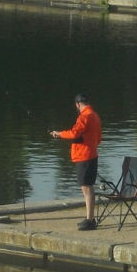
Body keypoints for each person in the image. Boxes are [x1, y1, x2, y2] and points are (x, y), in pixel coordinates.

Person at [50, 92, 103, 230]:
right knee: (86, 186)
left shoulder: (85, 116)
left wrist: (59, 134)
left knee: (86, 187)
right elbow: (98, 138)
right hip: (91, 154)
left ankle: (90, 220)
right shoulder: (95, 116)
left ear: (78, 104)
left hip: (84, 156)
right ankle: (89, 218)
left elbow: (74, 133)